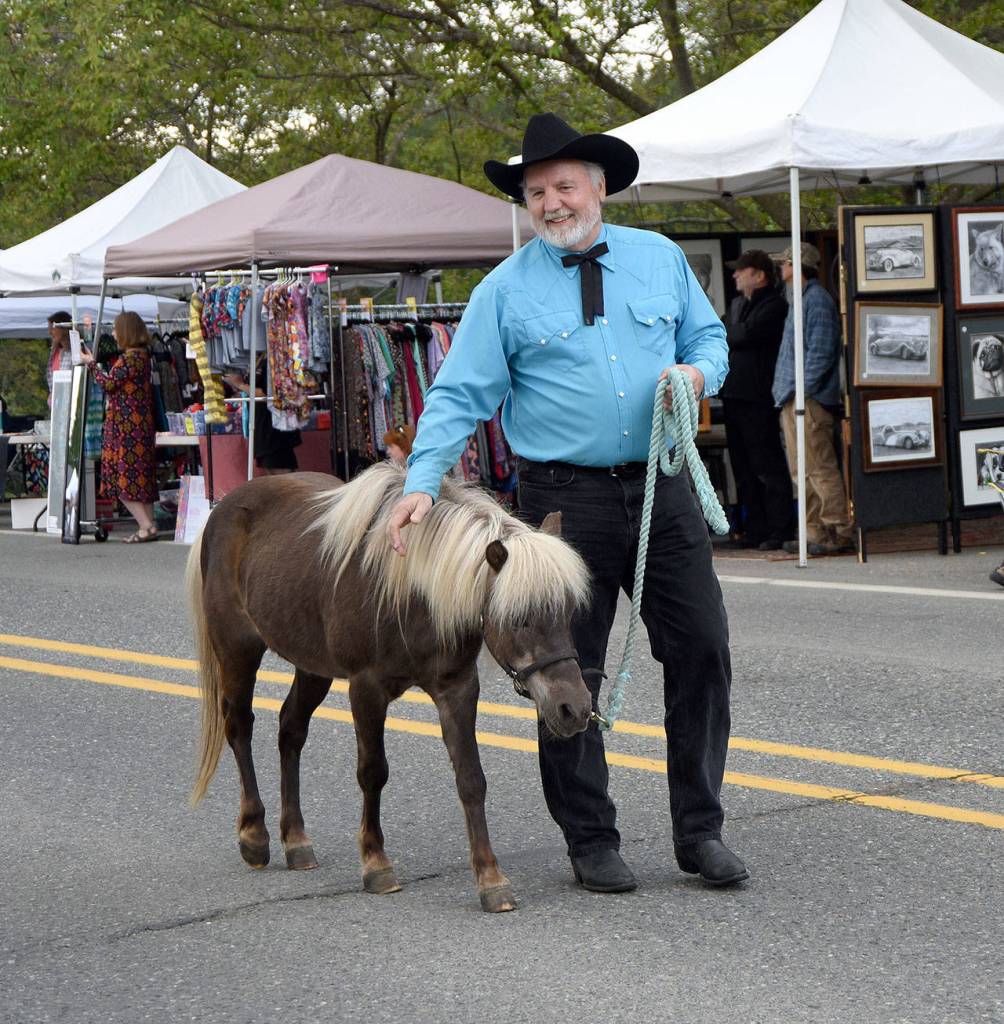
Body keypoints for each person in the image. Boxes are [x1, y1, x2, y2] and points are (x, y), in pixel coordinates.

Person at [385, 113, 747, 893]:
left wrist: (696, 377)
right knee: (562, 667)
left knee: (703, 651)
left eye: (563, 186)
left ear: (600, 187)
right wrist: (419, 487)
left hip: (662, 486)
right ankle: (591, 840)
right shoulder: (503, 291)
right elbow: (457, 396)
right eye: (535, 192)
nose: (549, 203)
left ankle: (701, 830)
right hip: (560, 501)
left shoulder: (660, 259)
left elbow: (710, 341)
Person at [771, 243, 855, 556]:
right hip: (795, 396)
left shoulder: (816, 300)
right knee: (802, 470)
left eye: (785, 262)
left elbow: (821, 351)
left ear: (797, 265)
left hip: (809, 398)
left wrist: (803, 392)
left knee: (818, 466)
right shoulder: (800, 299)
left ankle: (837, 529)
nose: (782, 268)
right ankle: (815, 531)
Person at [720, 250, 793, 549]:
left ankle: (780, 528)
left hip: (758, 398)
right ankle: (755, 528)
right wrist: (731, 331)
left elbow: (742, 334)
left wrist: (731, 331)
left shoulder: (774, 305)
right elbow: (724, 330)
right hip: (734, 396)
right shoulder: (739, 304)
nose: (735, 275)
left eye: (741, 270)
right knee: (743, 467)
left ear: (759, 275)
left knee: (766, 465)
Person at [79, 311, 159, 542]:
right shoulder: (144, 357)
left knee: (124, 478)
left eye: (115, 329)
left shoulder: (128, 360)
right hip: (140, 424)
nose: (113, 334)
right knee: (141, 477)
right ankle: (150, 525)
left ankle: (145, 526)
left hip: (125, 428)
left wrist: (91, 364)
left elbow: (109, 384)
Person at [224, 354, 301, 475]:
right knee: (271, 472)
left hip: (274, 428)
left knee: (281, 474)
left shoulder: (273, 359)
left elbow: (266, 395)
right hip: (262, 426)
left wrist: (240, 385)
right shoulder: (258, 358)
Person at [46, 311, 73, 404]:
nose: (49, 332)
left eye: (53, 328)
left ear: (64, 328)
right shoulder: (54, 352)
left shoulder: (76, 351)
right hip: (58, 407)